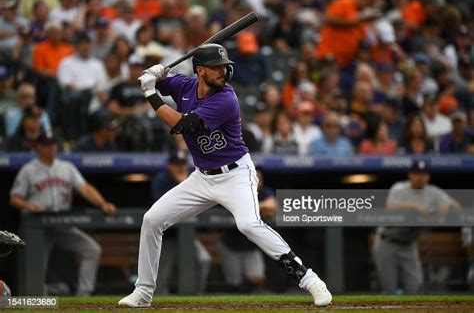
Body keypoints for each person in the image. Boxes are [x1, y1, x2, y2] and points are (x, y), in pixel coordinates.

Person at [118, 43, 332, 307]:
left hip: (235, 174)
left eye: (224, 66)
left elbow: (181, 124)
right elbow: (152, 80)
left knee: (249, 225)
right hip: (201, 177)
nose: (223, 71)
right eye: (216, 67)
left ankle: (310, 279)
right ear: (200, 70)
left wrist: (150, 91)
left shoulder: (226, 99)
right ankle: (143, 292)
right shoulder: (184, 85)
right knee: (152, 220)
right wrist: (155, 73)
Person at [9, 134, 117, 296]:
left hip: (62, 224)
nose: (51, 148)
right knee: (37, 265)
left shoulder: (66, 167)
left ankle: (83, 295)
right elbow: (14, 199)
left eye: (53, 145)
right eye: (47, 145)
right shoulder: (28, 170)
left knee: (92, 250)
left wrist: (102, 204)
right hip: (38, 228)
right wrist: (28, 205)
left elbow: (85, 188)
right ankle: (38, 297)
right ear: (38, 147)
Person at [372, 160, 459, 294]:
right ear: (410, 175)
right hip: (387, 242)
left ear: (428, 176)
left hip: (409, 245)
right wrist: (414, 206)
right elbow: (390, 207)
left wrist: (448, 204)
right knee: (389, 289)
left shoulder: (433, 192)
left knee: (415, 287)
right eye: (417, 173)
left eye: (424, 174)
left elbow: (457, 206)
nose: (420, 177)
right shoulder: (399, 188)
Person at [150, 151, 211, 294]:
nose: (180, 168)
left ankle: (197, 296)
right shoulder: (161, 179)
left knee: (203, 259)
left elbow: (203, 200)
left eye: (183, 164)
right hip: (167, 236)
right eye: (177, 165)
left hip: (188, 236)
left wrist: (183, 181)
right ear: (169, 166)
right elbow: (162, 206)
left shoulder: (194, 177)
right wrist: (182, 183)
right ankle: (159, 302)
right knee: (163, 272)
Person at [219, 168, 276, 292]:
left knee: (258, 279)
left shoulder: (264, 192)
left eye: (259, 178)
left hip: (251, 246)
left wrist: (252, 206)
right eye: (255, 177)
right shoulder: (236, 190)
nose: (257, 181)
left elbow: (271, 206)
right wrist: (260, 207)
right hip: (231, 244)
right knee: (234, 283)